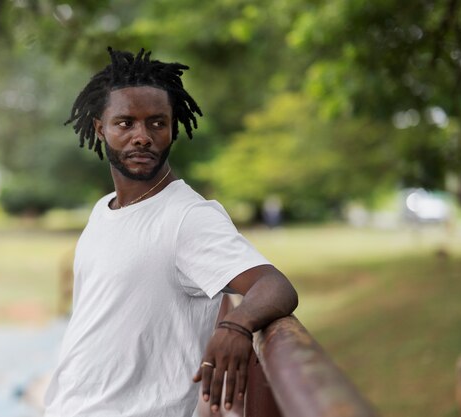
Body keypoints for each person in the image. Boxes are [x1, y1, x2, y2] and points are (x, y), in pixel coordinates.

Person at [44, 47, 298, 417]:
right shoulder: (104, 210)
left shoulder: (189, 218)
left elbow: (275, 284)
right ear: (101, 128)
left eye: (157, 123)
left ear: (173, 129)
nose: (142, 136)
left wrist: (237, 325)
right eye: (125, 123)